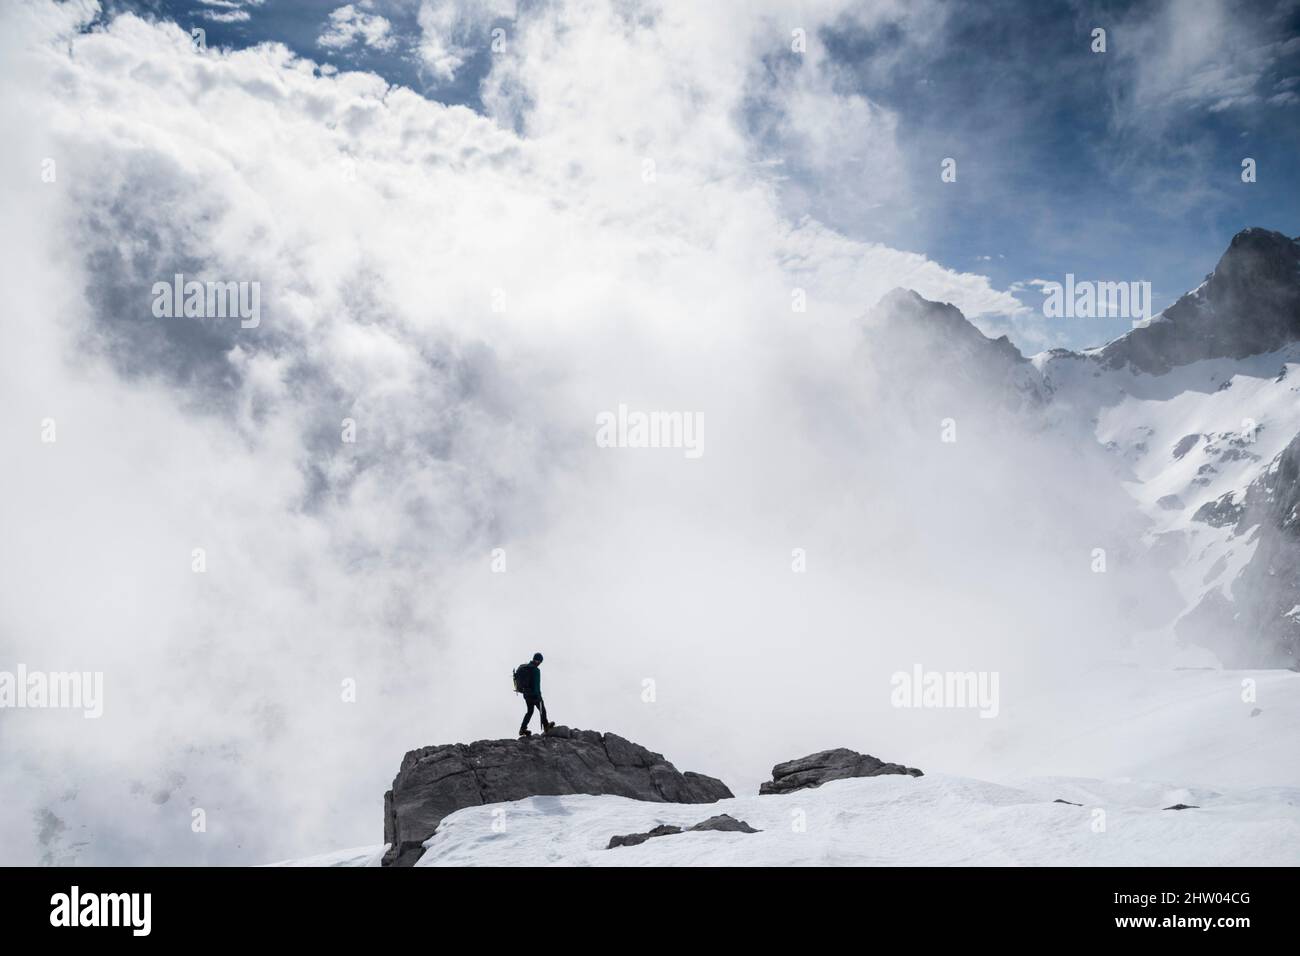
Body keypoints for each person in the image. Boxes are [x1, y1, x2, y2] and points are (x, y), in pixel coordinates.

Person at [517, 652, 554, 737]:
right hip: (534, 695)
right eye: (540, 661)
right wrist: (539, 697)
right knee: (542, 710)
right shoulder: (536, 670)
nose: (540, 663)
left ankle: (522, 729)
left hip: (526, 694)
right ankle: (546, 726)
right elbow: (536, 686)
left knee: (529, 712)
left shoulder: (525, 667)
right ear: (538, 660)